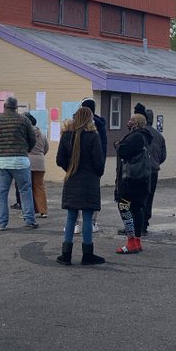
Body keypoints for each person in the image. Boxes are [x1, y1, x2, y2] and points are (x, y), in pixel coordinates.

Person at [55, 108, 107, 265]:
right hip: (89, 181)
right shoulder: (93, 136)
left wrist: (70, 169)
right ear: (89, 119)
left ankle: (66, 254)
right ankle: (87, 254)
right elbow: (99, 163)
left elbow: (60, 160)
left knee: (71, 216)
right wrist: (95, 173)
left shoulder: (66, 136)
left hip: (72, 179)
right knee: (87, 217)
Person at [0, 96, 37, 231]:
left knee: (1, 192)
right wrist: (26, 149)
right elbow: (32, 138)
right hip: (21, 161)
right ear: (16, 107)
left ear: (4, 107)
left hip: (1, 161)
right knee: (25, 190)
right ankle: (29, 220)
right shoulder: (24, 120)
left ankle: (2, 223)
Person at [112, 113, 152, 254]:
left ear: (137, 123)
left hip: (130, 181)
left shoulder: (136, 137)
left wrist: (117, 144)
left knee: (124, 207)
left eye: (131, 120)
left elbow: (123, 151)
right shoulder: (146, 137)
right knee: (137, 209)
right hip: (142, 181)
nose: (128, 122)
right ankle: (137, 241)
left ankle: (130, 241)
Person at [73, 97, 108, 235]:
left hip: (77, 166)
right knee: (92, 196)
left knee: (75, 196)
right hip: (93, 168)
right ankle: (93, 223)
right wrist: (100, 167)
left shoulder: (74, 124)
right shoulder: (100, 125)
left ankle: (75, 224)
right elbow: (103, 147)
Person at [131, 105, 166, 237]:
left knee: (138, 198)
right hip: (154, 171)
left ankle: (136, 226)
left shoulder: (139, 134)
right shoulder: (159, 136)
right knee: (149, 198)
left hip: (140, 171)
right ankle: (144, 225)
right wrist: (155, 163)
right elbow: (163, 156)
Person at [25, 113, 49, 218]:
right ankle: (43, 210)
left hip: (28, 161)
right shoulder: (42, 135)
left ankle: (30, 210)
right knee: (39, 186)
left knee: (27, 187)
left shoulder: (26, 134)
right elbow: (46, 148)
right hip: (40, 162)